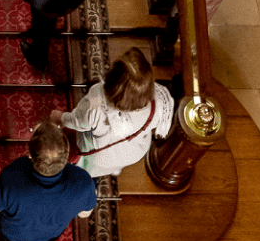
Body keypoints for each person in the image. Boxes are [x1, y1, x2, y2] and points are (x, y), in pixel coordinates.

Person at [50, 48, 174, 179]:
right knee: (107, 165)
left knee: (90, 163)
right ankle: (106, 172)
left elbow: (78, 122)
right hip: (131, 151)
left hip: (99, 154)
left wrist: (59, 117)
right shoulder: (158, 104)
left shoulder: (96, 103)